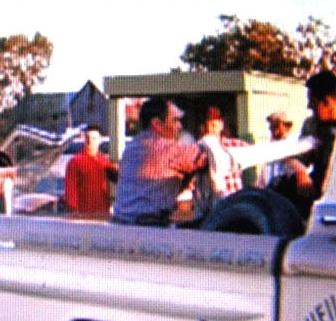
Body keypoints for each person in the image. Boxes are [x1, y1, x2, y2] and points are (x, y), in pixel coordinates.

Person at [112, 97, 205, 226]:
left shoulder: (131, 147)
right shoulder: (169, 149)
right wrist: (209, 138)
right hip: (149, 227)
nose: (180, 126)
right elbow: (204, 157)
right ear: (156, 124)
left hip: (120, 223)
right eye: (175, 120)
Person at [277, 70, 336, 215]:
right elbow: (296, 156)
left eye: (312, 101)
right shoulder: (311, 125)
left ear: (326, 102)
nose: (309, 107)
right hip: (318, 187)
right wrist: (300, 171)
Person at [192, 107, 249, 220]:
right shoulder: (198, 148)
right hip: (208, 203)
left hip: (233, 198)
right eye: (209, 125)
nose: (212, 129)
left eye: (215, 125)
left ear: (221, 125)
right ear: (203, 127)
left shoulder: (236, 145)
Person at [64, 124, 118, 216]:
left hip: (103, 211)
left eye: (94, 138)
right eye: (87, 138)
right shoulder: (75, 161)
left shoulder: (104, 161)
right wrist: (73, 209)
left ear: (100, 140)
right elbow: (70, 188)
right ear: (84, 139)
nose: (90, 141)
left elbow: (118, 179)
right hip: (83, 212)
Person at [254, 111, 295, 188]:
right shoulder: (270, 148)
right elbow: (262, 178)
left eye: (276, 125)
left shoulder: (293, 145)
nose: (273, 130)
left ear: (287, 126)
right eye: (271, 126)